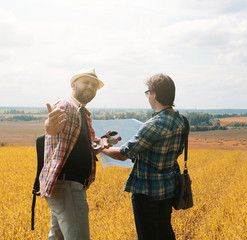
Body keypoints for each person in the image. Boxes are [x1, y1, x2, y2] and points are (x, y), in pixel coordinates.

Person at [102, 73, 186, 240]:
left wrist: (101, 146)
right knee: (165, 233)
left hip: (147, 193)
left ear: (154, 93)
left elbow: (123, 154)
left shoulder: (154, 124)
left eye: (148, 93)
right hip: (169, 189)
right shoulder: (181, 120)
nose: (148, 97)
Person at [40, 68, 114, 240]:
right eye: (86, 82)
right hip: (68, 186)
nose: (90, 87)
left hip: (67, 186)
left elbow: (78, 146)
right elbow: (51, 127)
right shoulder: (66, 106)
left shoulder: (82, 112)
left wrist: (101, 143)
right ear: (73, 85)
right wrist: (48, 126)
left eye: (94, 85)